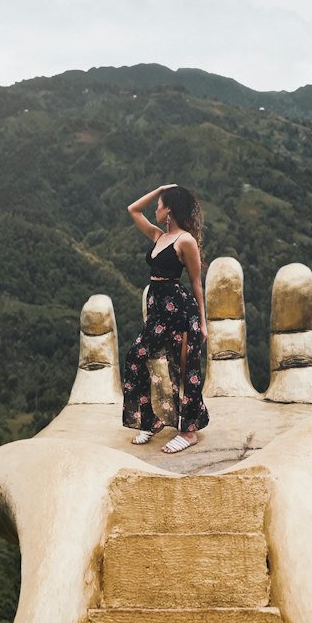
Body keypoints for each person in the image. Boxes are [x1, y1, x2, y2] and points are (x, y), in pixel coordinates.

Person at [122, 183, 209, 453]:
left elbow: (196, 283)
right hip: (157, 309)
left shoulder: (185, 241)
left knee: (184, 369)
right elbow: (133, 209)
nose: (155, 209)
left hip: (180, 310)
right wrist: (159, 189)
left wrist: (203, 323)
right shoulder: (159, 236)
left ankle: (189, 431)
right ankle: (151, 420)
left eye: (159, 204)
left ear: (169, 209)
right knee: (137, 359)